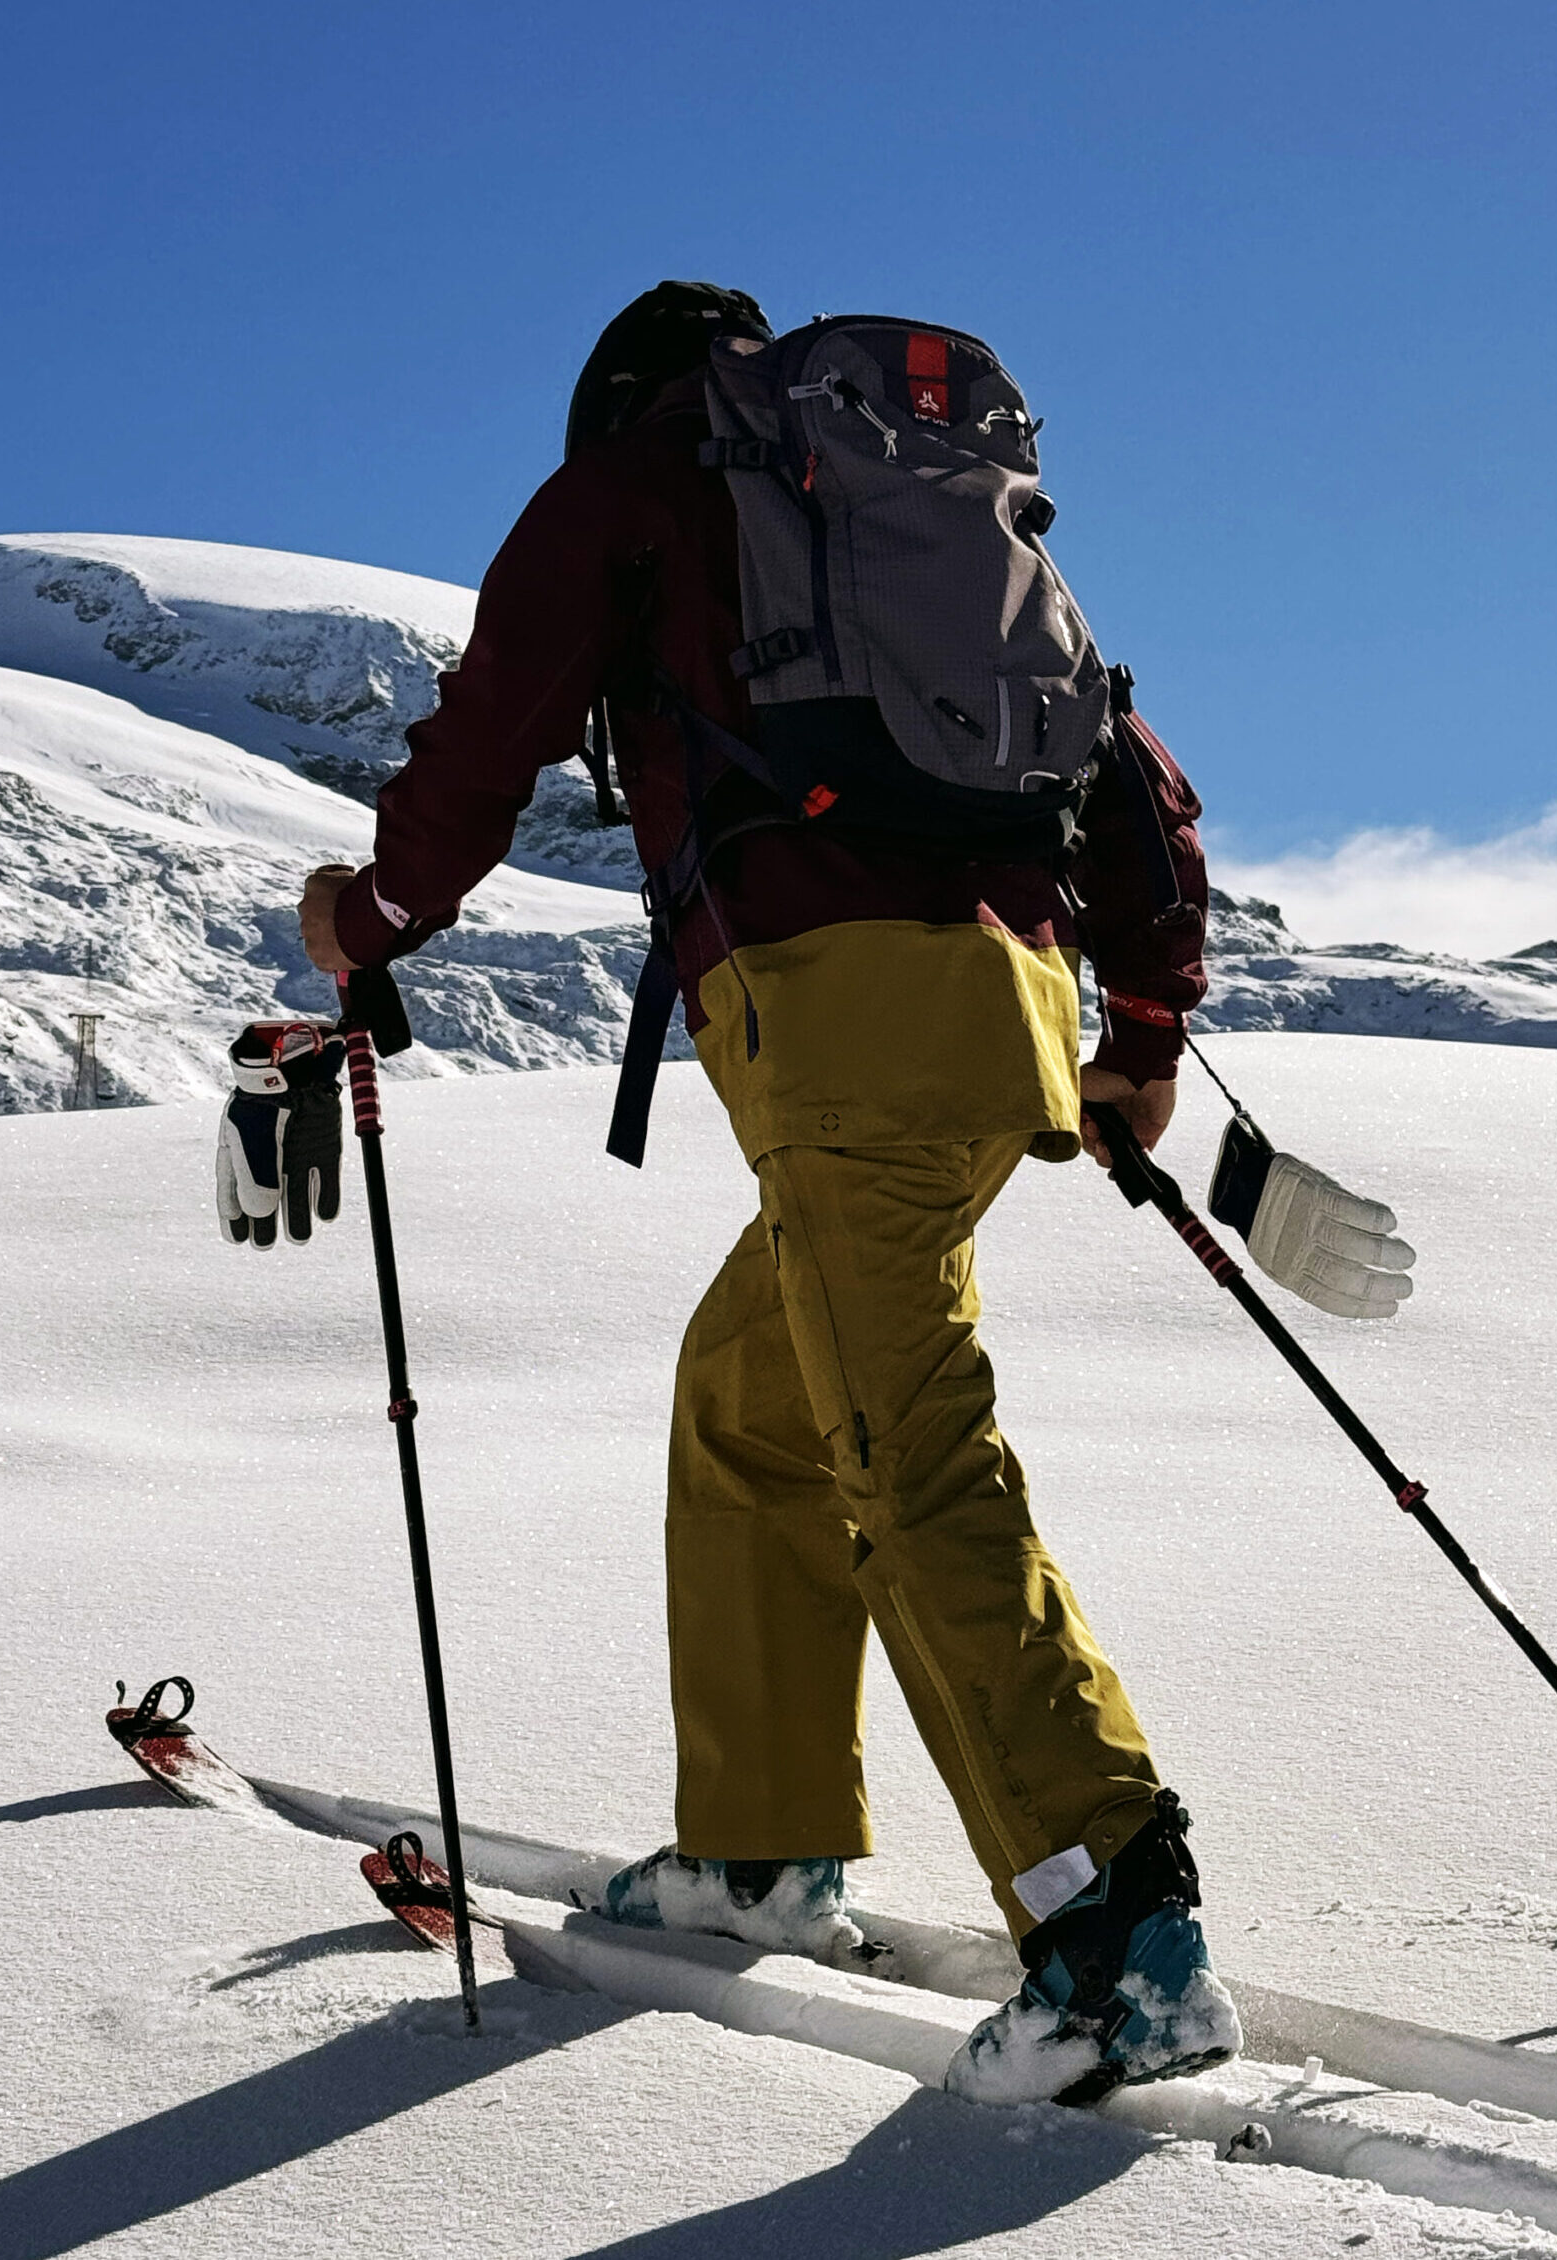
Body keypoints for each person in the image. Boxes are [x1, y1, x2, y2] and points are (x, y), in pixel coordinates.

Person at [253, 283, 1409, 2107]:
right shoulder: (935, 513)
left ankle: (1118, 1932)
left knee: (908, 1451)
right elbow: (1135, 784)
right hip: (1001, 1018)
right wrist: (1144, 1036)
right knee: (749, 1402)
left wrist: (370, 915)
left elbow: (494, 721)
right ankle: (760, 1850)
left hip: (838, 1020)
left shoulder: (647, 485)